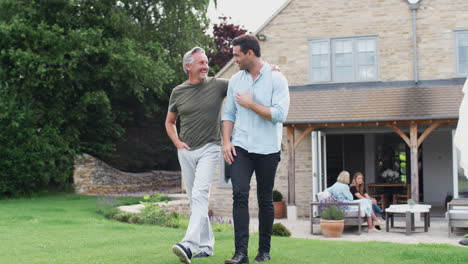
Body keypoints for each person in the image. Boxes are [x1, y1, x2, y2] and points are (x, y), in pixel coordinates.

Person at [222, 34, 289, 264]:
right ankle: (240, 254)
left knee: (264, 199)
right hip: (240, 146)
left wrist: (250, 104)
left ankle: (264, 251)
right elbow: (228, 114)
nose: (234, 59)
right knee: (239, 194)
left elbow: (280, 114)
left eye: (237, 55)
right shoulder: (234, 81)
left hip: (268, 149)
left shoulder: (277, 78)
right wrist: (226, 141)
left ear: (250, 53)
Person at [166, 46, 229, 263]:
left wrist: (269, 70)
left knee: (201, 194)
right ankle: (207, 246)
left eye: (206, 62)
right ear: (188, 67)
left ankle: (189, 244)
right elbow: (170, 122)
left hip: (210, 148)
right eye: (201, 63)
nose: (206, 66)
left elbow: (245, 82)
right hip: (186, 151)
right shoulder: (178, 92)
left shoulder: (217, 85)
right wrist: (177, 142)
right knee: (195, 200)